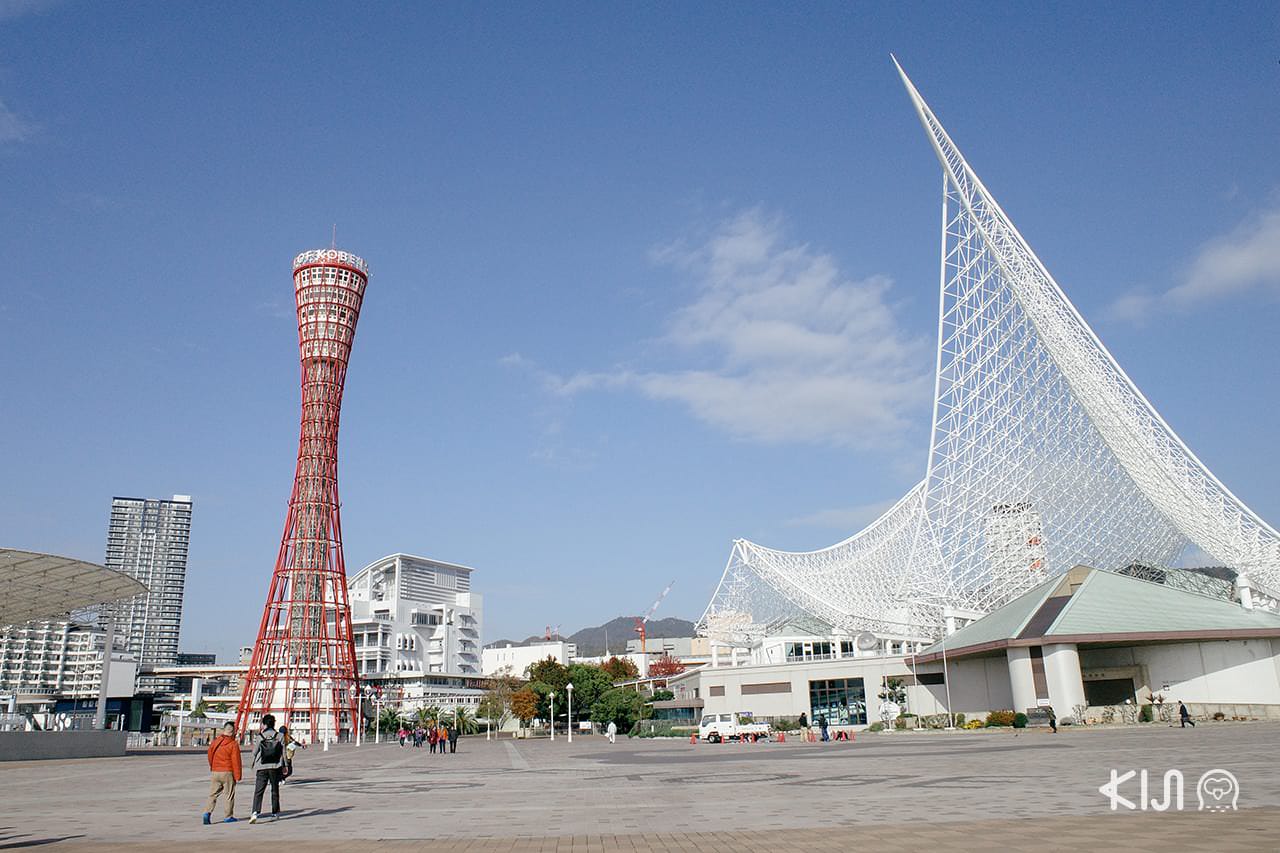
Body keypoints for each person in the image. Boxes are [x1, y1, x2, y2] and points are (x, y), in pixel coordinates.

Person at [202, 722, 242, 825]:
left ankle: (207, 812)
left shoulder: (216, 742)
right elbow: (236, 761)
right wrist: (238, 776)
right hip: (228, 772)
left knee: (212, 794)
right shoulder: (233, 744)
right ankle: (228, 816)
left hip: (216, 771)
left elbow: (210, 754)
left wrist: (213, 766)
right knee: (229, 795)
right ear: (232, 731)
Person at [249, 714, 285, 824]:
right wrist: (285, 766)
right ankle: (275, 812)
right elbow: (283, 753)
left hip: (262, 766)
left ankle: (255, 812)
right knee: (275, 790)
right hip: (275, 766)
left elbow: (255, 752)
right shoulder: (280, 736)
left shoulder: (260, 737)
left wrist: (253, 763)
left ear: (264, 724)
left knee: (259, 790)